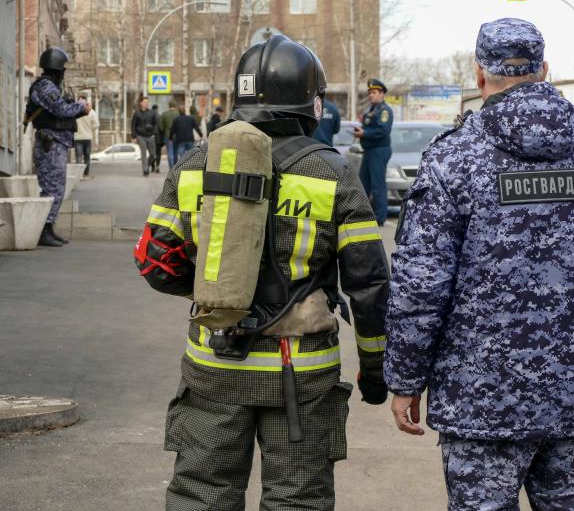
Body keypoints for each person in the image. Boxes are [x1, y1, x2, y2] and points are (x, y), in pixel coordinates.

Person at [384, 18, 574, 511]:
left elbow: (420, 286)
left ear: (480, 74)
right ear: (544, 69)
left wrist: (404, 379)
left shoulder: (453, 160)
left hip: (480, 403)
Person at [134, 35, 389, 510]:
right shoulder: (333, 174)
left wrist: (217, 289)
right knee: (297, 500)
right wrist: (376, 371)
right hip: (302, 375)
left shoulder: (194, 164)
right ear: (312, 102)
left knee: (201, 496)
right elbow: (369, 285)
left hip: (214, 364)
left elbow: (155, 264)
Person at [25, 47, 89, 247]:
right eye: (63, 68)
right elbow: (61, 110)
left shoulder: (51, 86)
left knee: (56, 189)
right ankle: (43, 230)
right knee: (51, 189)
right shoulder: (45, 87)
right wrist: (81, 107)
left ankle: (49, 227)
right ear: (57, 68)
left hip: (56, 143)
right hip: (50, 144)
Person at [353, 78, 393, 226]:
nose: (371, 95)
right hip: (369, 151)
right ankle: (363, 215)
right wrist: (362, 131)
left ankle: (380, 217)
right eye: (370, 93)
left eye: (374, 92)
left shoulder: (384, 111)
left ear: (382, 94)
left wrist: (364, 133)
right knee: (364, 184)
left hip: (379, 150)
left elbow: (383, 130)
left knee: (377, 185)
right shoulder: (372, 110)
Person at [131, 96, 159, 176]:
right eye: (144, 102)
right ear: (141, 103)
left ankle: (147, 165)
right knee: (143, 153)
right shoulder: (137, 113)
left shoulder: (152, 113)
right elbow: (133, 125)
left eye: (147, 102)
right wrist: (134, 136)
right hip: (140, 136)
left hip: (150, 136)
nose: (146, 104)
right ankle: (145, 170)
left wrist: (154, 133)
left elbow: (156, 124)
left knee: (153, 154)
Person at [73, 95, 99, 178]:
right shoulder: (91, 112)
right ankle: (86, 174)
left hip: (77, 137)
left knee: (78, 157)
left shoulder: (75, 111)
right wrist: (90, 129)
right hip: (87, 137)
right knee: (87, 157)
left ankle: (78, 175)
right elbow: (96, 124)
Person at [152, 104, 163, 173]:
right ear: (157, 109)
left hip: (151, 137)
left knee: (152, 153)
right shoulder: (159, 116)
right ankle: (157, 166)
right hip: (159, 138)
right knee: (158, 153)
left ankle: (152, 166)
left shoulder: (149, 116)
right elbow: (161, 127)